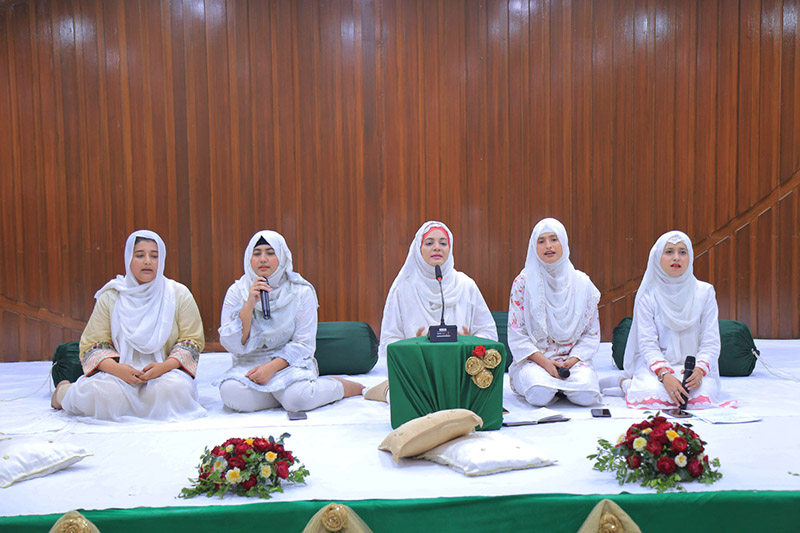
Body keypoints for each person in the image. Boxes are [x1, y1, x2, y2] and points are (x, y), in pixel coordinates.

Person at [51, 230, 206, 421]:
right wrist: (119, 370)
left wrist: (163, 367)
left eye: (154, 256)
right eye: (140, 255)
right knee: (103, 394)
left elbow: (192, 340)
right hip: (119, 373)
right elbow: (92, 344)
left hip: (164, 372)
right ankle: (62, 394)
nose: (148, 261)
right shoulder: (112, 295)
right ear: (128, 259)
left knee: (173, 391)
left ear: (162, 260)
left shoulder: (178, 294)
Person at [216, 230, 363, 412]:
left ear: (283, 256)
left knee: (297, 401)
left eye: (270, 253)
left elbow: (304, 344)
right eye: (257, 253)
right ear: (249, 258)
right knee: (231, 394)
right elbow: (232, 344)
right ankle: (284, 395)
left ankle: (341, 387)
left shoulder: (300, 291)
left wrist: (271, 368)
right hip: (250, 364)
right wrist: (249, 305)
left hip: (290, 363)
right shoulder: (237, 291)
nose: (263, 259)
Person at [366, 221, 498, 402]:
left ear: (450, 249)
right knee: (404, 399)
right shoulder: (403, 288)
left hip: (462, 371)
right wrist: (414, 347)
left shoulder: (465, 285)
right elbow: (390, 339)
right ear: (418, 249)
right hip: (417, 373)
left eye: (443, 243)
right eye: (429, 243)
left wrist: (469, 344)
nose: (437, 248)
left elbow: (488, 332)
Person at [621, 230, 732, 409]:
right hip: (658, 367)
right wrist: (665, 375)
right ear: (658, 257)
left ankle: (637, 385)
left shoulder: (705, 292)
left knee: (700, 399)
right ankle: (627, 384)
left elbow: (710, 341)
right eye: (669, 252)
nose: (676, 258)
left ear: (690, 257)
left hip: (693, 368)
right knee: (653, 395)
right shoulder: (648, 295)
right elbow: (647, 344)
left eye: (682, 252)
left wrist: (699, 371)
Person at [507, 218, 601, 407]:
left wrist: (571, 361)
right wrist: (546, 364)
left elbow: (591, 333)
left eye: (553, 239)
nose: (548, 246)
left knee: (587, 396)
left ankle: (564, 388)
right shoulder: (523, 282)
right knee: (538, 395)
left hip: (572, 362)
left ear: (564, 243)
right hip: (536, 361)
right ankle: (556, 388)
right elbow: (517, 333)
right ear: (534, 246)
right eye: (541, 241)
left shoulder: (582, 283)